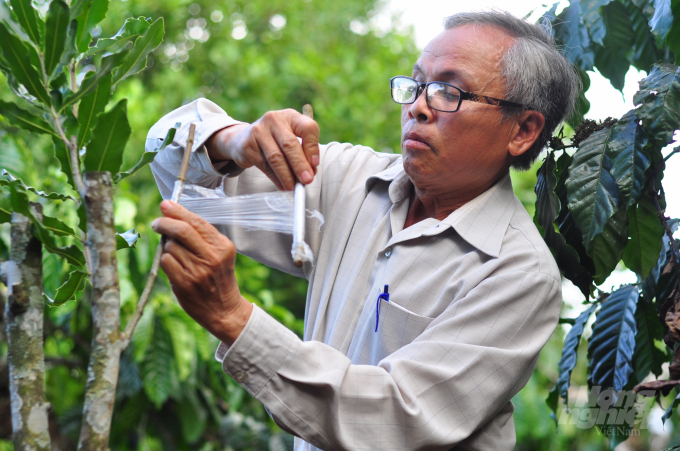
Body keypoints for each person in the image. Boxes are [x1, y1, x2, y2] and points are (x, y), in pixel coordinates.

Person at [148, 10, 578, 451]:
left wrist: (234, 318)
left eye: (449, 91)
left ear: (523, 131)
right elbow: (173, 166)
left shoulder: (518, 273)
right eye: (415, 85)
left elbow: (394, 419)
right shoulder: (348, 180)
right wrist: (232, 142)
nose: (418, 107)